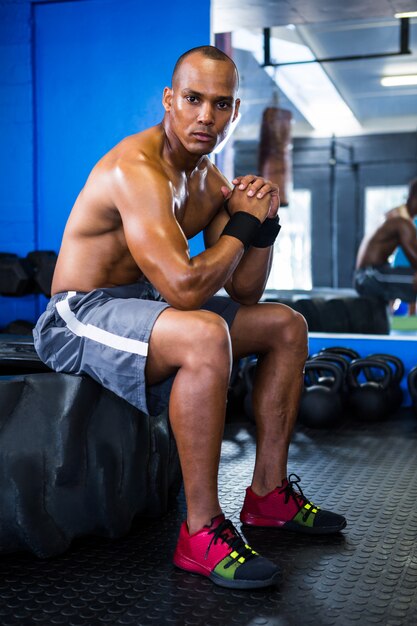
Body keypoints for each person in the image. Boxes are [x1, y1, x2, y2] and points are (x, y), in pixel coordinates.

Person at [33, 46, 346, 590]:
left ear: (236, 111)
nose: (206, 116)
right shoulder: (137, 168)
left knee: (285, 325)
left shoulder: (207, 181)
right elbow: (183, 288)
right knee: (205, 333)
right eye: (194, 99)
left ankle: (269, 495)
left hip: (148, 307)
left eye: (221, 104)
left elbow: (246, 288)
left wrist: (261, 224)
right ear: (169, 100)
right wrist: (238, 226)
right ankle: (200, 531)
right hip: (80, 313)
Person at [354, 178, 417, 302]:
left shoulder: (397, 215)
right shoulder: (402, 222)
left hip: (371, 274)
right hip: (369, 276)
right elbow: (415, 259)